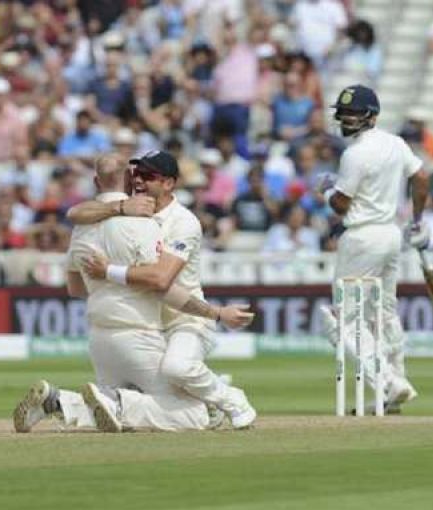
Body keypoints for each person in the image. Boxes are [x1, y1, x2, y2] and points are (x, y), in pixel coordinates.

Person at [13, 155, 254, 433]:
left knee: (176, 368)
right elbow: (73, 213)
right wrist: (119, 208)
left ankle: (231, 399)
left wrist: (108, 273)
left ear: (169, 184)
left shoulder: (182, 222)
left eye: (148, 176)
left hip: (183, 320)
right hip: (145, 326)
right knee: (169, 411)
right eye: (136, 174)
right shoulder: (132, 216)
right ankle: (82, 402)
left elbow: (158, 280)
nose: (139, 179)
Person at [318, 84, 429, 413]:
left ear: (372, 116)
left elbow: (340, 204)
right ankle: (394, 388)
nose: (347, 118)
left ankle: (390, 384)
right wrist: (418, 220)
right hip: (391, 235)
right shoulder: (396, 143)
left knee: (343, 321)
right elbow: (421, 178)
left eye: (354, 113)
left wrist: (325, 189)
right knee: (384, 314)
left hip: (362, 237)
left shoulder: (354, 154)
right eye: (344, 112)